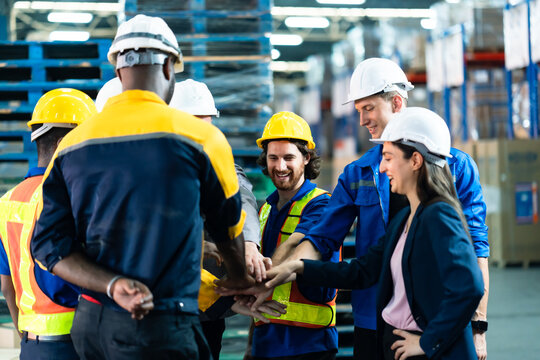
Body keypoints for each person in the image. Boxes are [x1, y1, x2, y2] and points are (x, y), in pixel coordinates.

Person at [31, 14, 254, 360]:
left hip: (91, 326)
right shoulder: (202, 139)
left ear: (119, 71)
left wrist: (112, 284)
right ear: (169, 67)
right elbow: (228, 228)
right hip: (162, 325)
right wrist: (239, 278)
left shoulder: (71, 146)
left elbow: (47, 245)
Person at [283, 57, 489, 360]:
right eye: (358, 111)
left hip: (432, 317)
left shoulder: (451, 183)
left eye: (369, 108)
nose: (363, 119)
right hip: (378, 316)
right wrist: (294, 267)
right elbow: (333, 246)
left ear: (395, 102)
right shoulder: (367, 181)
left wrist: (477, 327)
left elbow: (476, 254)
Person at [170, 78, 269, 360]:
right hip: (166, 307)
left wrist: (249, 242)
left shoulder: (219, 162)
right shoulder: (158, 168)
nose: (203, 134)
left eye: (207, 123)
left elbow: (243, 199)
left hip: (209, 305)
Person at [0, 88, 97, 360]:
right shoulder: (74, 198)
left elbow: (7, 287)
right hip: (78, 344)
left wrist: (28, 338)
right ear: (65, 145)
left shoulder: (7, 201)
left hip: (32, 347)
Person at [246, 111, 340, 359]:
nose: (280, 166)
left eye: (289, 157)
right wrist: (250, 344)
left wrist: (256, 286)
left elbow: (294, 245)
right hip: (266, 342)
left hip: (309, 343)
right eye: (273, 157)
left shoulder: (322, 204)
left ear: (306, 158)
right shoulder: (265, 208)